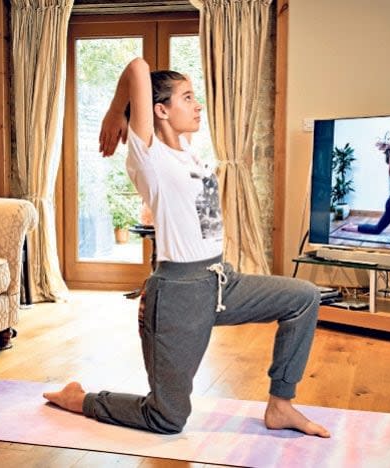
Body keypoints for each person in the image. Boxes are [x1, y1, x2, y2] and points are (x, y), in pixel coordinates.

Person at [44, 58, 330, 438]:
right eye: (188, 98)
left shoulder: (188, 152)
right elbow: (138, 67)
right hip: (178, 296)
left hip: (222, 280)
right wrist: (117, 113)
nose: (198, 106)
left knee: (304, 297)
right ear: (160, 110)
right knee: (167, 418)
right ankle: (79, 399)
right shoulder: (149, 157)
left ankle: (280, 405)